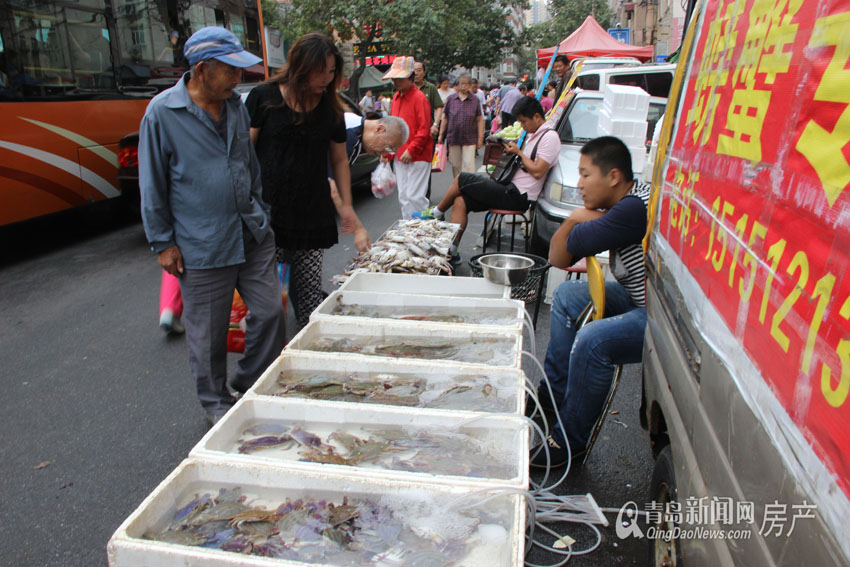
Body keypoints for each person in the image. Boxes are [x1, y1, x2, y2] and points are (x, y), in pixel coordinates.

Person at [138, 26, 285, 425]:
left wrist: (260, 209)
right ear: (202, 70)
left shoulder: (235, 106)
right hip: (202, 243)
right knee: (208, 336)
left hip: (251, 232)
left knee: (271, 312)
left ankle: (248, 381)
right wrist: (162, 243)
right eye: (231, 70)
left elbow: (247, 164)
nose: (239, 78)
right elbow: (152, 183)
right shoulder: (162, 114)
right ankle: (216, 403)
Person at [532, 136, 651, 468]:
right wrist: (583, 216)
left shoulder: (632, 208)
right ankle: (551, 396)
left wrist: (575, 218)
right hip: (635, 298)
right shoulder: (627, 201)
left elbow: (561, 251)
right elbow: (559, 259)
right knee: (569, 295)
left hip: (656, 318)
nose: (579, 183)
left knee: (593, 341)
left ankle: (570, 440)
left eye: (586, 175)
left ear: (613, 176)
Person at [245, 32, 358, 331]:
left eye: (332, 71)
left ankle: (304, 359)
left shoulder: (331, 108)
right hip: (268, 215)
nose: (327, 78)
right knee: (271, 303)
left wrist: (346, 206)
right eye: (321, 71)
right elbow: (242, 155)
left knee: (309, 299)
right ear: (300, 67)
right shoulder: (264, 97)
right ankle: (268, 362)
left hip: (310, 212)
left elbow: (339, 160)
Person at [413, 97, 559, 262]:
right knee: (461, 200)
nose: (523, 126)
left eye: (524, 122)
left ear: (537, 117)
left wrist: (519, 153)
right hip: (509, 188)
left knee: (463, 178)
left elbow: (538, 171)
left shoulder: (549, 137)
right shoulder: (535, 134)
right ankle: (451, 251)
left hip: (517, 196)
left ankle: (437, 212)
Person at [331, 112, 409, 251]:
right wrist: (358, 229)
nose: (385, 153)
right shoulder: (349, 134)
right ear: (379, 129)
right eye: (388, 147)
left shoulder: (356, 131)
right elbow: (333, 185)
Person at [385, 56, 433, 218]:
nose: (396, 81)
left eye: (400, 77)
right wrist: (388, 152)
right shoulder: (396, 98)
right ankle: (409, 230)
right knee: (404, 197)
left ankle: (424, 229)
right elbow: (393, 128)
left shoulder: (420, 98)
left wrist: (411, 150)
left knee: (416, 196)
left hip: (418, 155)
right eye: (394, 77)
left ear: (410, 77)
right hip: (401, 154)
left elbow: (424, 129)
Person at [437, 74, 483, 177]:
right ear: (457, 85)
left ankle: (467, 189)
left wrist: (480, 138)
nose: (463, 86)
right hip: (454, 137)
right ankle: (457, 188)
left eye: (466, 84)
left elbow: (479, 119)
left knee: (468, 166)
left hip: (470, 138)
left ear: (470, 85)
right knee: (456, 165)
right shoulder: (451, 99)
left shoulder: (475, 100)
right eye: (461, 83)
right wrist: (441, 135)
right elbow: (445, 118)